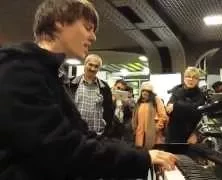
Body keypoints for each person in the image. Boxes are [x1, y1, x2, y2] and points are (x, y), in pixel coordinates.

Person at [0, 0, 176, 179]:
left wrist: (140, 154)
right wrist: (140, 158)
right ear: (59, 21)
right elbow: (60, 149)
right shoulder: (18, 71)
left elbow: (82, 135)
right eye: (88, 27)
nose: (93, 37)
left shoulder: (47, 74)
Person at [67, 54, 114, 137]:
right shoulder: (71, 84)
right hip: (74, 134)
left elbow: (109, 111)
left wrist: (107, 132)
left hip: (97, 135)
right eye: (90, 65)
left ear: (99, 69)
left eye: (96, 66)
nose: (93, 68)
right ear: (85, 64)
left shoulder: (104, 87)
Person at [166, 67, 206, 143]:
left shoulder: (200, 94)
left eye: (194, 77)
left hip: (191, 134)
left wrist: (176, 106)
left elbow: (196, 110)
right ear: (184, 78)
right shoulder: (176, 91)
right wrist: (188, 108)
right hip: (174, 134)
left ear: (197, 80)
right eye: (188, 76)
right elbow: (168, 110)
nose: (191, 79)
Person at [132, 82, 168, 149]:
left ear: (151, 92)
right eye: (143, 90)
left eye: (147, 91)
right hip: (140, 135)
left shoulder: (156, 100)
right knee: (142, 154)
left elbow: (163, 115)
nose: (145, 93)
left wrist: (158, 126)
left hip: (154, 134)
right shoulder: (139, 102)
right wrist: (134, 128)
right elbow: (134, 117)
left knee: (153, 155)